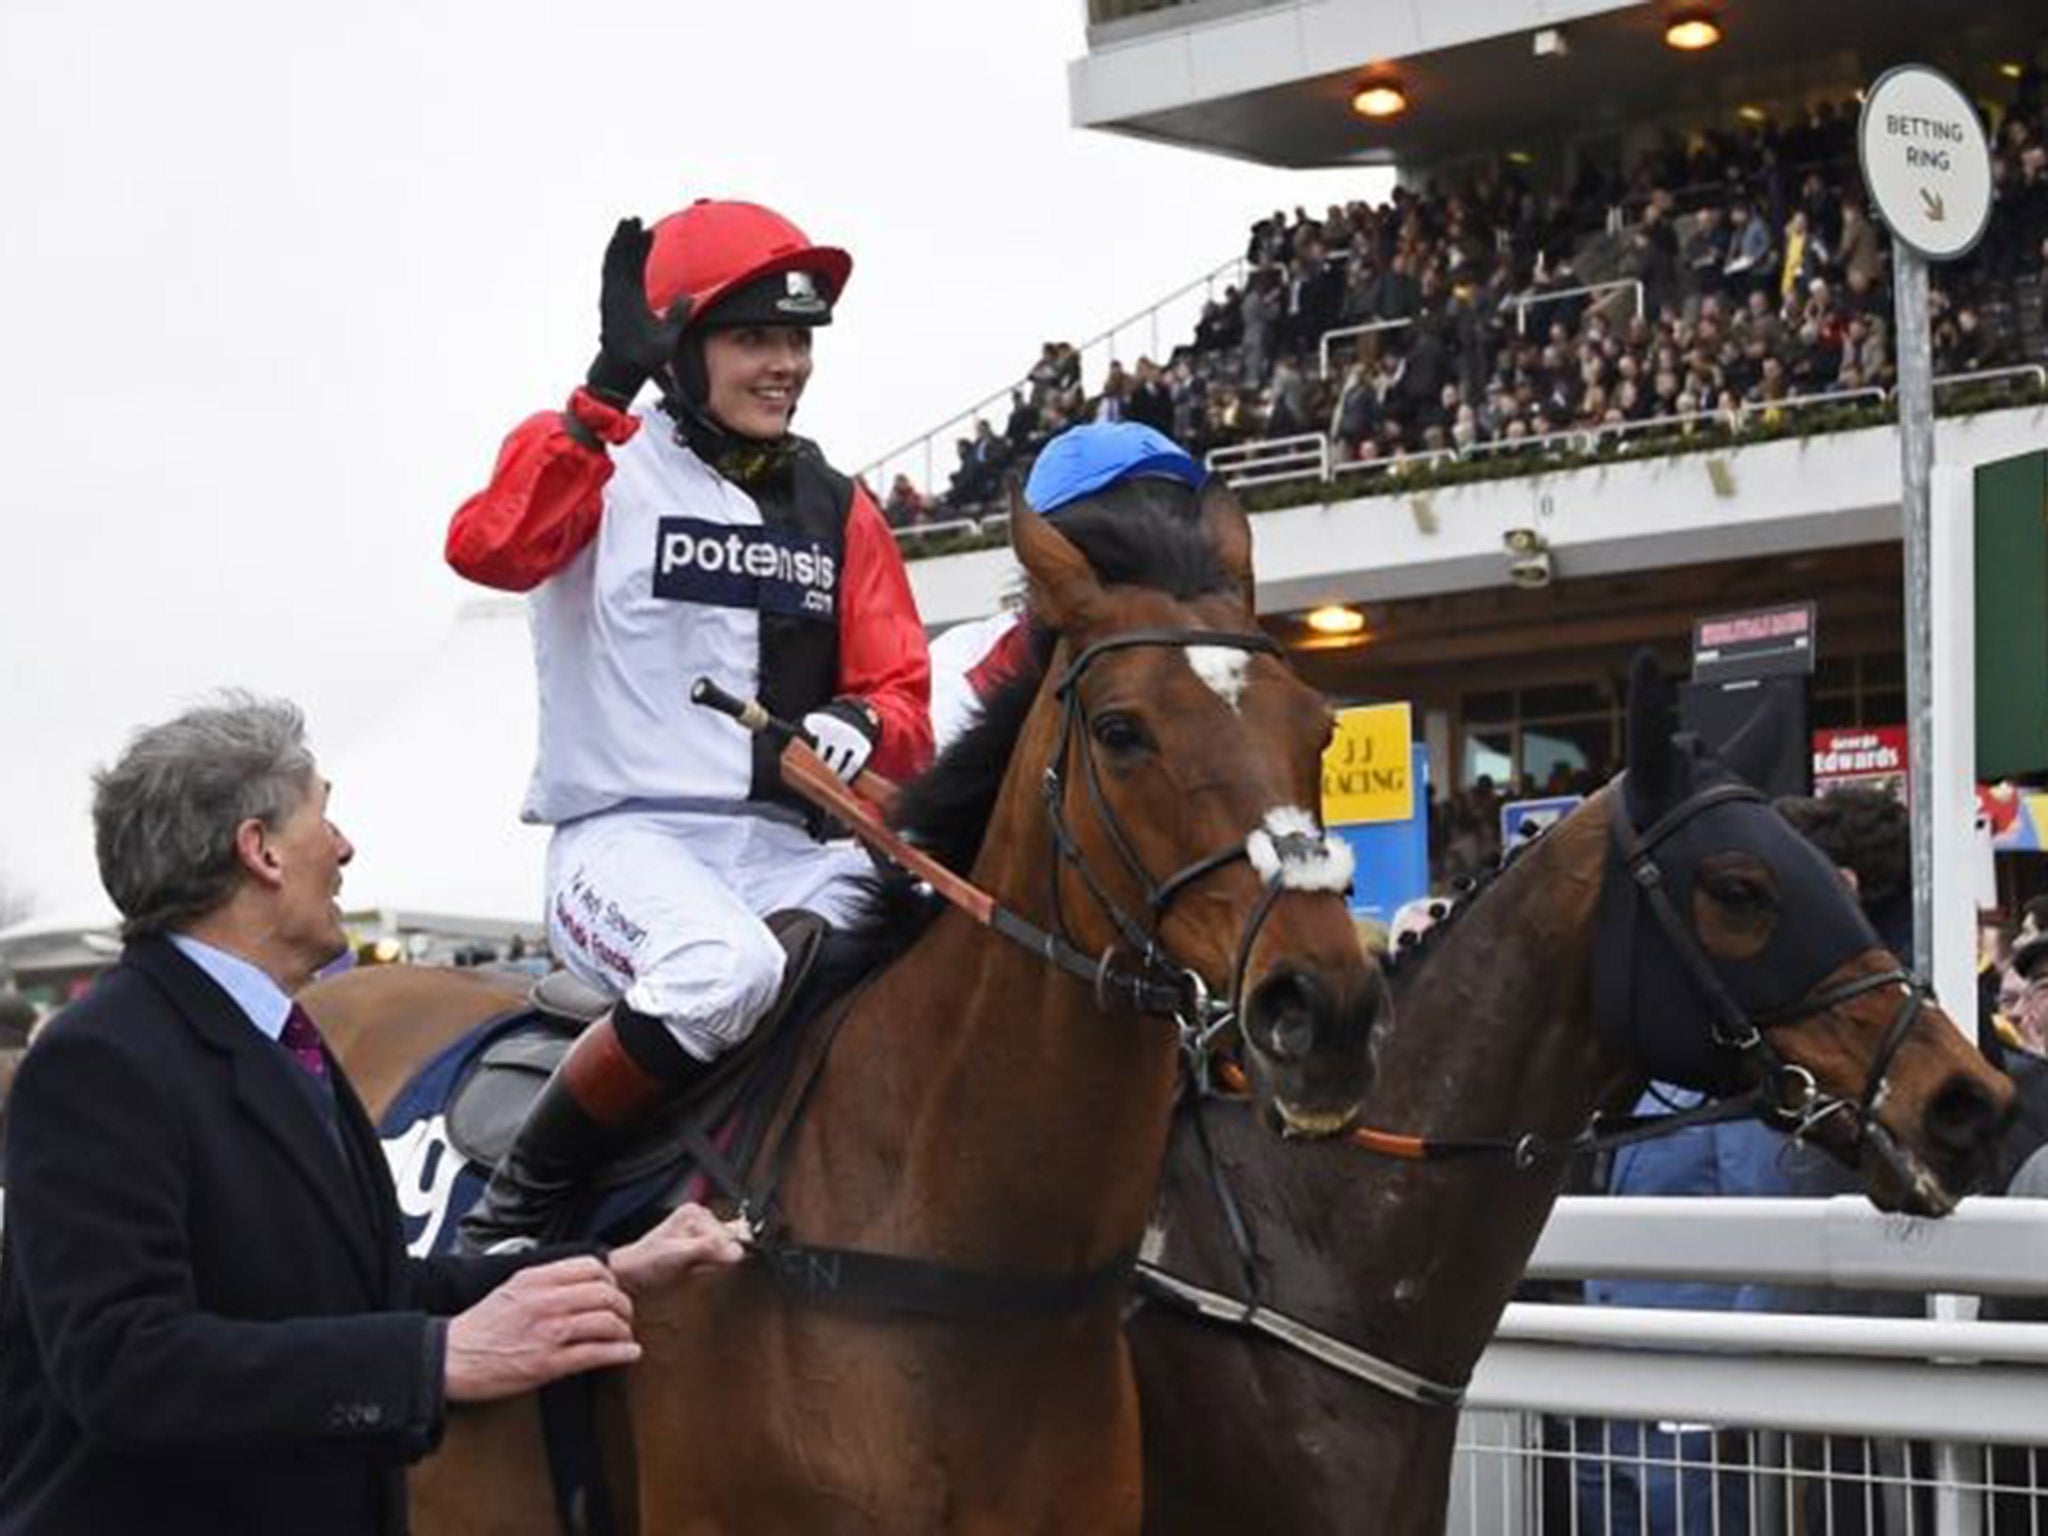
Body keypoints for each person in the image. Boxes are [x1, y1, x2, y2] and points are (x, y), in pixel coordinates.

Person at [0, 696, 744, 1535]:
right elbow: (125, 1365)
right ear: (261, 850)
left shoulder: (283, 1037)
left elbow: (377, 1286)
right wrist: (430, 1365)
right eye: (324, 811)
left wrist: (607, 1268)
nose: (345, 846)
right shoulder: (101, 1060)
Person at [444, 199, 932, 1253]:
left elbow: (903, 694)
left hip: (789, 853)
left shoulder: (841, 506)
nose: (786, 365)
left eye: (797, 340)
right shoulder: (588, 455)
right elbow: (489, 551)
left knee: (942, 950)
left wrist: (864, 720)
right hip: (626, 845)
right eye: (754, 337)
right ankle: (515, 1207)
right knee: (725, 972)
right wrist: (604, 391)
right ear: (676, 348)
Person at [927, 420, 1209, 754]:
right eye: (1137, 517)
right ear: (1045, 548)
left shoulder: (1221, 666)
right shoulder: (960, 673)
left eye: (1179, 513)